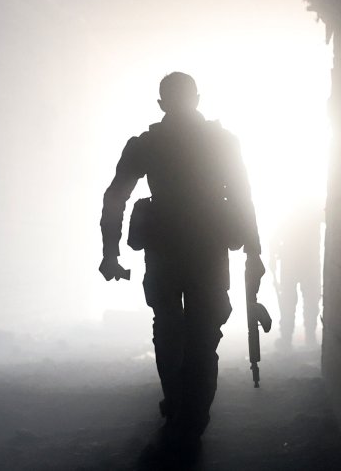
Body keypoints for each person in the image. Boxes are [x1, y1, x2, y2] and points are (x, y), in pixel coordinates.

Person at [99, 72, 265, 461]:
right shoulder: (222, 142)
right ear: (197, 99)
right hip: (206, 251)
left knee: (171, 332)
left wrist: (110, 251)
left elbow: (115, 198)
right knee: (202, 337)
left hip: (165, 252)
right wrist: (254, 251)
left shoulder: (147, 144)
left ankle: (179, 411)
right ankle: (189, 422)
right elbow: (244, 198)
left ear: (161, 104)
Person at [273, 203, 323, 350]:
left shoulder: (288, 208)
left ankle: (288, 339)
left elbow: (275, 234)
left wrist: (272, 256)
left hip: (292, 262)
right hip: (308, 262)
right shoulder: (312, 207)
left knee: (291, 301)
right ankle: (307, 338)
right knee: (308, 300)